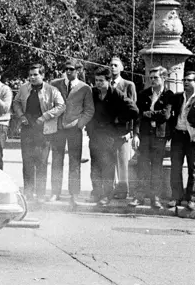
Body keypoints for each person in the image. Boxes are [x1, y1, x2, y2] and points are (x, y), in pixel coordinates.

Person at [12, 63, 65, 201]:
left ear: (43, 75)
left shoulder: (51, 90)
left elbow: (61, 106)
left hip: (44, 131)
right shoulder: (24, 88)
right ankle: (28, 193)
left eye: (36, 74)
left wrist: (46, 116)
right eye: (30, 75)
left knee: (41, 162)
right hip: (27, 129)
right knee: (27, 162)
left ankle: (40, 194)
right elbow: (16, 102)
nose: (32, 77)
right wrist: (21, 116)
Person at [87, 67, 138, 206]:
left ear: (109, 81)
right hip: (95, 135)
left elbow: (134, 110)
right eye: (96, 80)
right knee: (95, 166)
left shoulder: (117, 94)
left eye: (101, 81)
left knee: (108, 166)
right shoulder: (93, 93)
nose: (98, 83)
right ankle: (96, 192)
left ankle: (106, 195)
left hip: (109, 137)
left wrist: (119, 120)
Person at [49, 59, 95, 204]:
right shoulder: (55, 84)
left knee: (74, 162)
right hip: (58, 128)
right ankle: (55, 192)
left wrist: (79, 124)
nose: (68, 72)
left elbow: (89, 110)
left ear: (79, 71)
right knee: (57, 161)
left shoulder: (85, 88)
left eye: (72, 69)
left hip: (74, 129)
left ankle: (74, 194)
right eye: (66, 69)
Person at [134, 66, 175, 209]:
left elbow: (166, 115)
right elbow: (138, 115)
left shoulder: (169, 95)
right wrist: (136, 134)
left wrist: (148, 114)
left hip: (160, 136)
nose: (152, 80)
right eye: (150, 78)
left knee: (156, 167)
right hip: (145, 135)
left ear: (163, 78)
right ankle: (139, 197)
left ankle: (155, 198)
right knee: (142, 165)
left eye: (155, 77)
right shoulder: (143, 94)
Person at [167, 71, 195, 210]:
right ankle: (176, 197)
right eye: (184, 79)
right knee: (175, 167)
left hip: (193, 138)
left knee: (194, 168)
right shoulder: (178, 97)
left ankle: (192, 198)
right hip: (178, 135)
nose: (185, 82)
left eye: (189, 80)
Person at [110, 56, 138, 199]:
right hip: (108, 131)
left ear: (121, 68)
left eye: (115, 65)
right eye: (111, 65)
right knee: (109, 161)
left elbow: (133, 110)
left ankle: (123, 190)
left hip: (123, 129)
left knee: (122, 162)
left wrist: (132, 132)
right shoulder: (106, 84)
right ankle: (111, 189)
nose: (113, 68)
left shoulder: (128, 85)